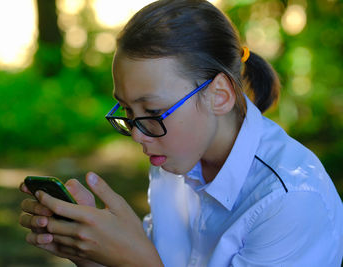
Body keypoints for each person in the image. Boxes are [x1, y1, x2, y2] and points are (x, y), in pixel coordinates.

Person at [19, 0, 343, 266]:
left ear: (220, 95)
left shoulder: (291, 200)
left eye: (154, 112)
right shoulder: (177, 159)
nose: (137, 134)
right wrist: (92, 249)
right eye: (128, 111)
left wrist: (134, 261)